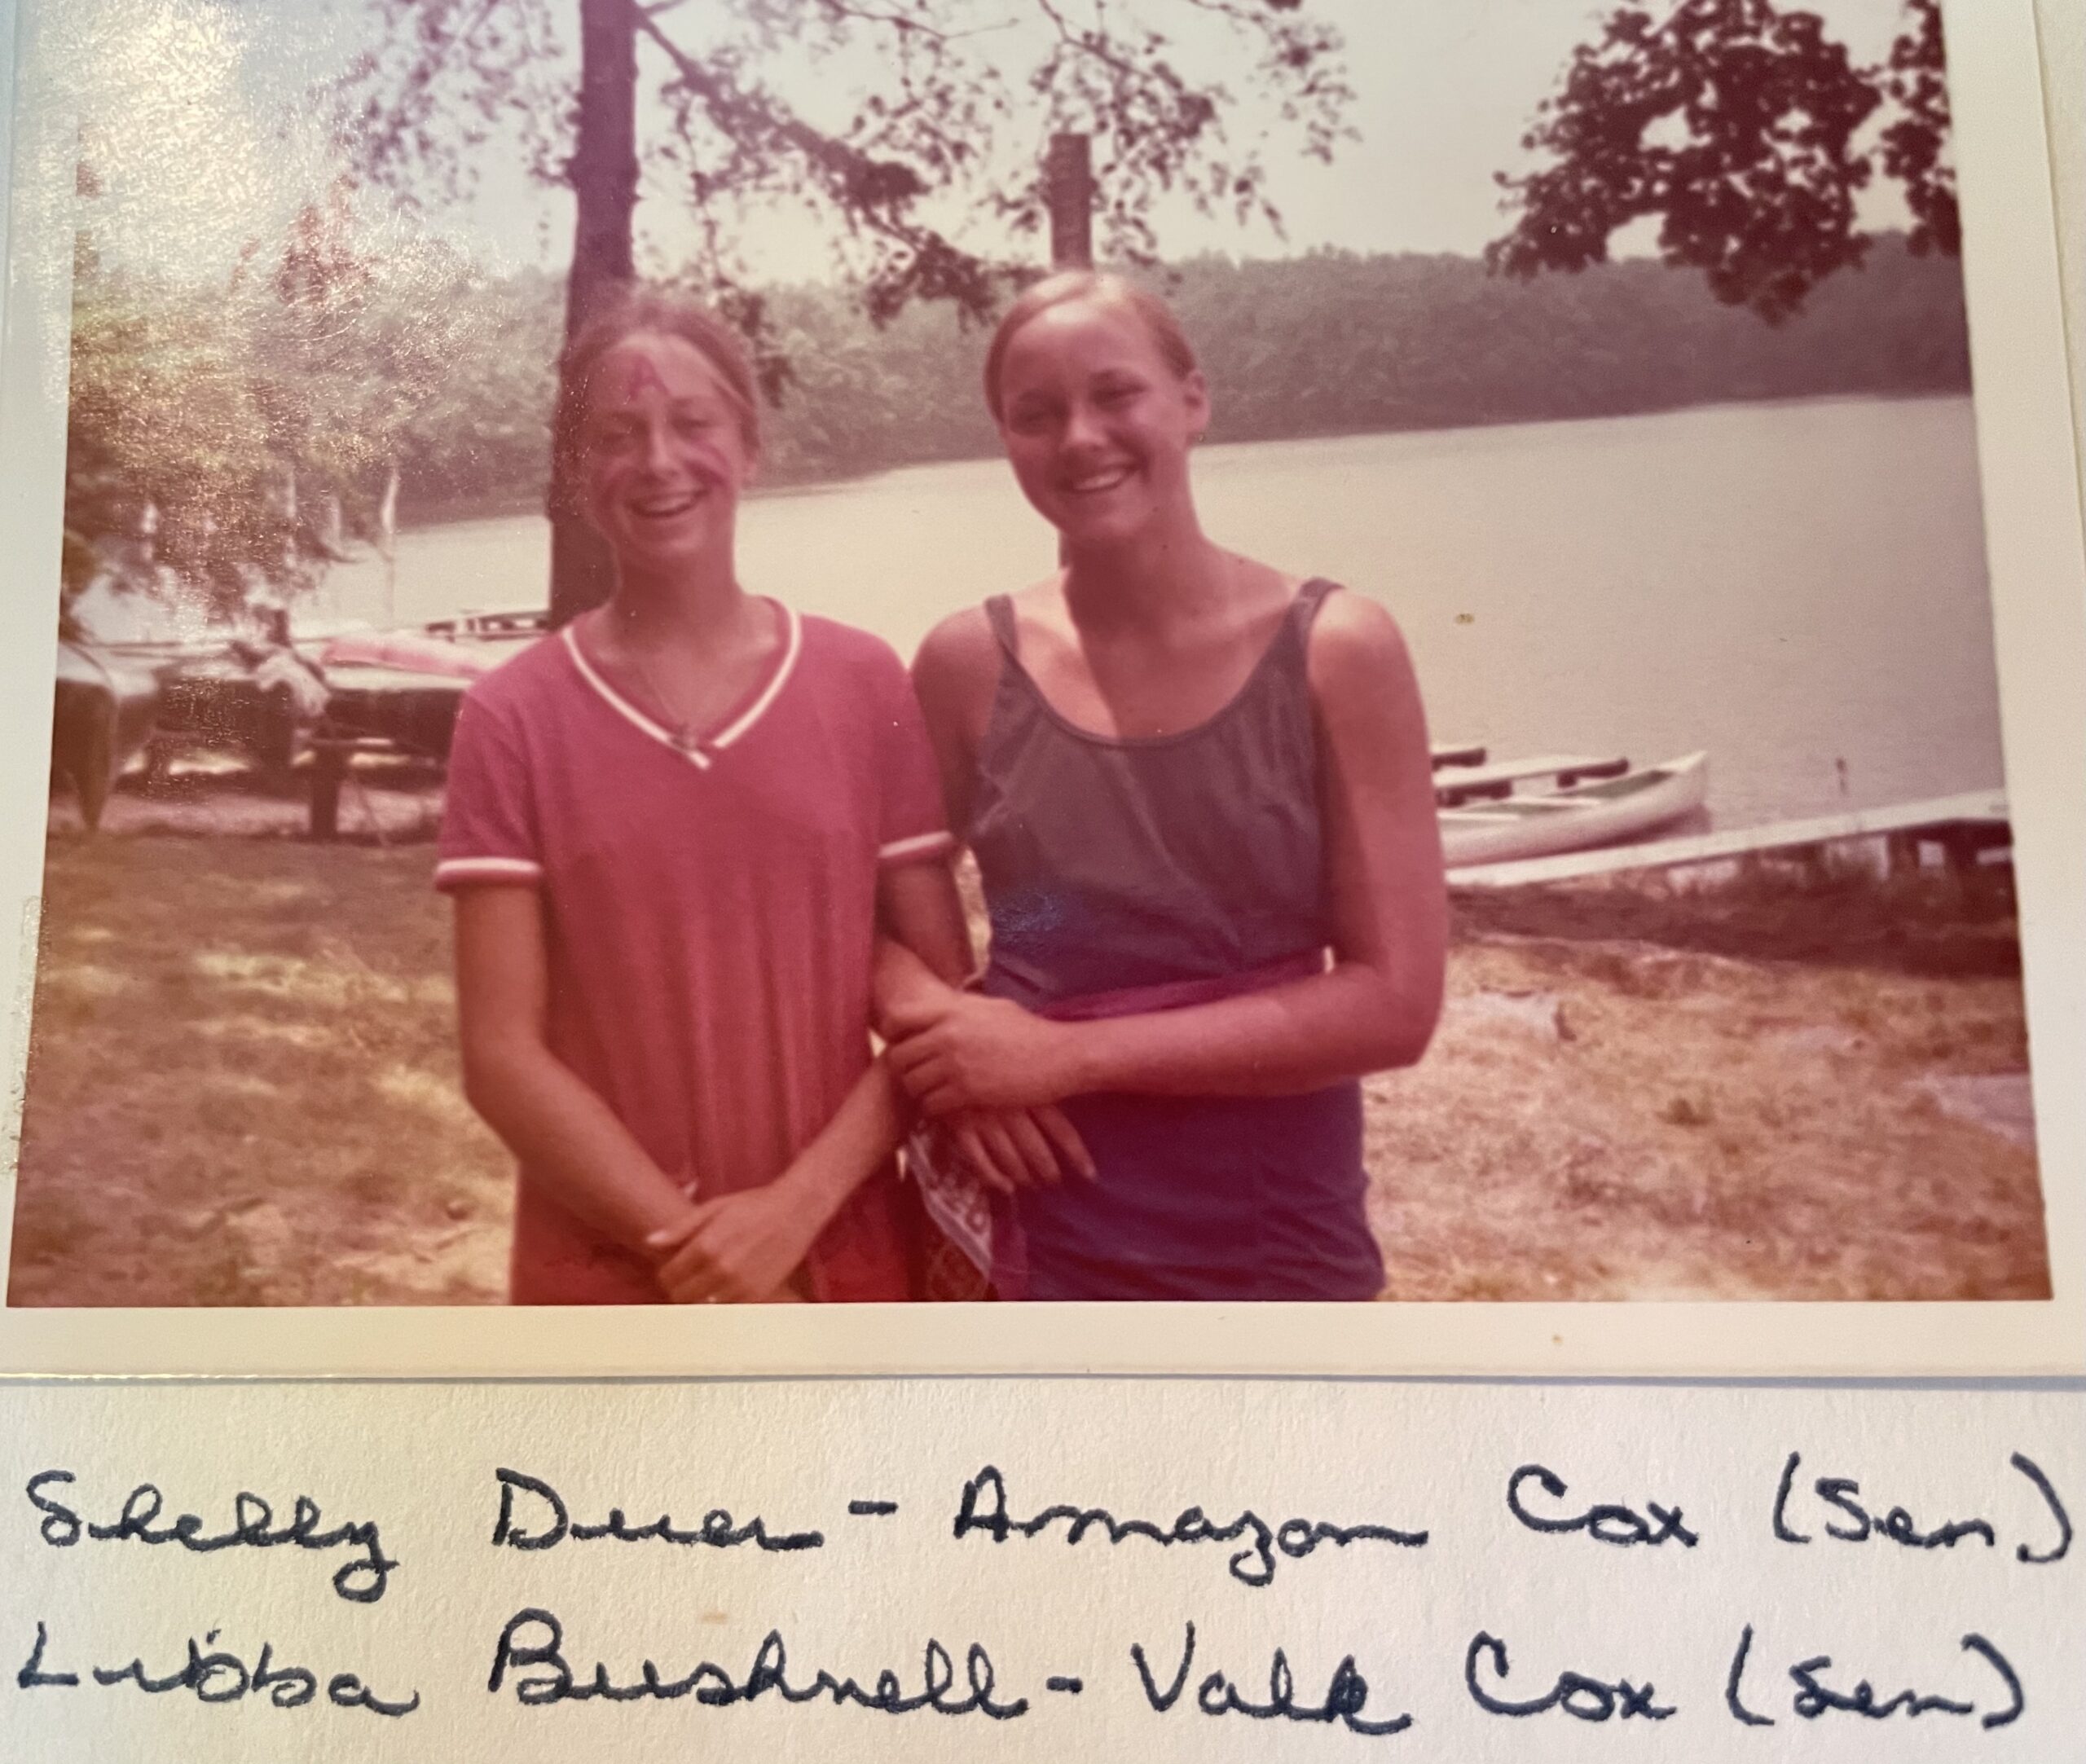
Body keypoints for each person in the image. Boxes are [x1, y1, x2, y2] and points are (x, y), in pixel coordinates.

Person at [437, 288, 1073, 1305]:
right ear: (576, 468)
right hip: (609, 1273)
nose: (658, 461)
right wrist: (700, 1255)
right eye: (616, 434)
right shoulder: (511, 716)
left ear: (750, 444)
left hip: (844, 1256)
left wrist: (794, 1212)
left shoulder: (864, 683)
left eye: (693, 423)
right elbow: (502, 1055)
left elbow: (939, 999)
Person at [882, 271, 1450, 1300]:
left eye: (1115, 394)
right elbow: (859, 913)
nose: (1080, 438)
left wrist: (1062, 1057)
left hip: (1274, 1243)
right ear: (1004, 439)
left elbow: (1394, 1004)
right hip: (1029, 1229)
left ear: (1193, 400)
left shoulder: (1335, 649)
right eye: (1035, 414)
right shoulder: (968, 664)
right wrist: (951, 1046)